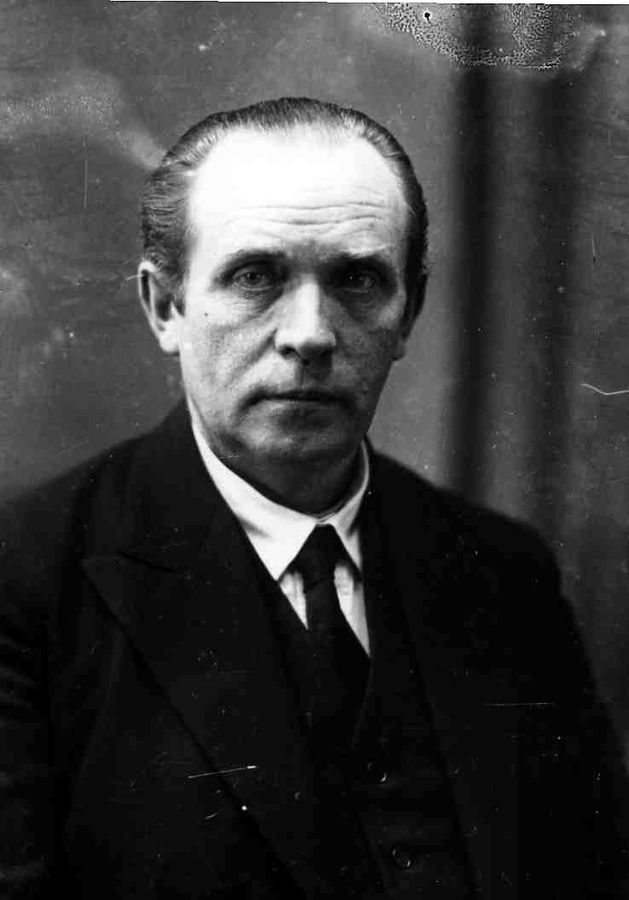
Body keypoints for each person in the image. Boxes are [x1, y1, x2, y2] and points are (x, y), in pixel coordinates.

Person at [0, 97, 626, 899]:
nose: (309, 334)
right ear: (166, 307)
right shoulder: (29, 582)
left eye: (356, 280)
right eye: (254, 277)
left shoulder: (504, 574)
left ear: (409, 313)